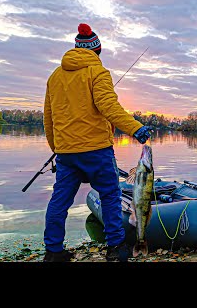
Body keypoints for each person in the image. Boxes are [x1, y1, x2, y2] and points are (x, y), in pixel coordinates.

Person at [43, 23, 152, 262]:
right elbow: (109, 106)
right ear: (97, 50)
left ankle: (53, 252)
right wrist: (136, 128)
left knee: (59, 200)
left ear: (75, 47)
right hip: (97, 150)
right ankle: (115, 248)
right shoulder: (98, 73)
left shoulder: (54, 77)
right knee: (110, 196)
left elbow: (48, 118)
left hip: (66, 152)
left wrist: (56, 148)